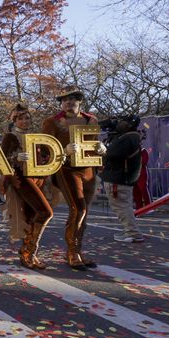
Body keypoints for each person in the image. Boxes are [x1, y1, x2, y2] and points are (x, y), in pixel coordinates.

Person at [41, 86, 106, 270]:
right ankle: (72, 252)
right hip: (66, 169)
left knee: (84, 211)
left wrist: (101, 148)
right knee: (78, 207)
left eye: (72, 99)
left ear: (79, 101)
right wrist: (63, 150)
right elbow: (45, 149)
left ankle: (78, 249)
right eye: (64, 99)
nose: (68, 102)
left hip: (88, 170)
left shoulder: (90, 119)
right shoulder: (51, 122)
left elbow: (93, 143)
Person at [1, 103, 53, 269]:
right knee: (45, 212)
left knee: (31, 216)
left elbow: (47, 156)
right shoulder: (10, 137)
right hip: (21, 178)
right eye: (21, 118)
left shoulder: (36, 136)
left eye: (27, 118)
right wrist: (16, 157)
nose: (25, 121)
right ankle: (29, 250)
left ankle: (28, 254)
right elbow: (1, 159)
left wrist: (59, 157)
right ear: (15, 120)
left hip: (38, 178)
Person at [101, 115, 144, 242]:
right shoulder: (132, 137)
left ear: (129, 124)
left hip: (118, 178)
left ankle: (132, 233)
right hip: (123, 178)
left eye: (122, 122)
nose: (118, 124)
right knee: (125, 206)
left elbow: (112, 154)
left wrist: (102, 150)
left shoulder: (128, 138)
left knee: (122, 207)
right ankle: (130, 231)